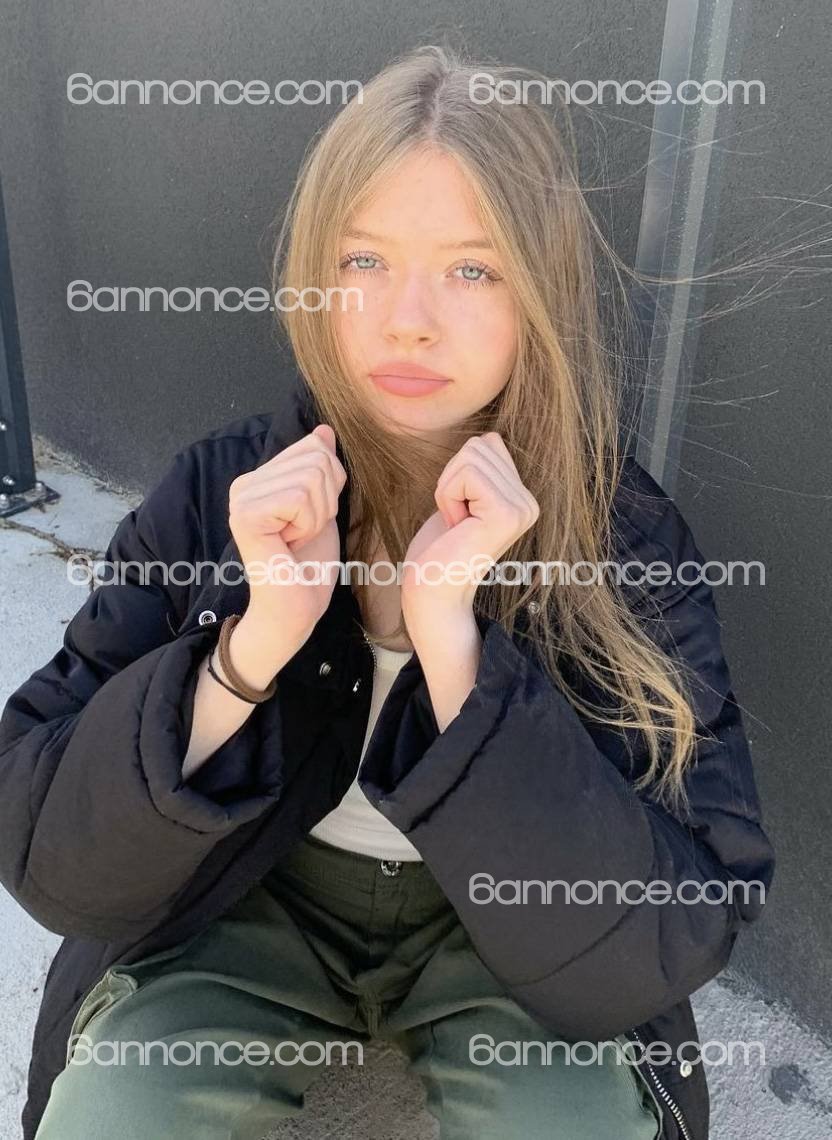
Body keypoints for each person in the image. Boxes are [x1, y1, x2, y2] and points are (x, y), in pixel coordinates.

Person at [0, 44, 774, 1140]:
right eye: (363, 259)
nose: (408, 318)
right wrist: (249, 647)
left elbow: (678, 923)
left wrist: (454, 645)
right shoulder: (223, 491)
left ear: (540, 291)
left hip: (502, 934)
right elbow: (47, 850)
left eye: (472, 270)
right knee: (117, 1112)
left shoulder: (622, 540)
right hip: (253, 893)